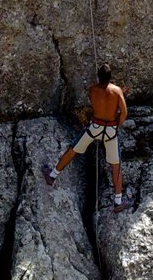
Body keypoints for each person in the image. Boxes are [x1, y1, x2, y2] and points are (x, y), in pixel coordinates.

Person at [42, 64, 132, 213]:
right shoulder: (116, 91)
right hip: (110, 130)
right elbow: (123, 112)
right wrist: (117, 126)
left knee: (73, 150)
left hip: (94, 128)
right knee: (115, 165)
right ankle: (117, 202)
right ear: (110, 77)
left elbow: (100, 101)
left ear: (98, 77)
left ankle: (52, 176)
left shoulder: (92, 89)